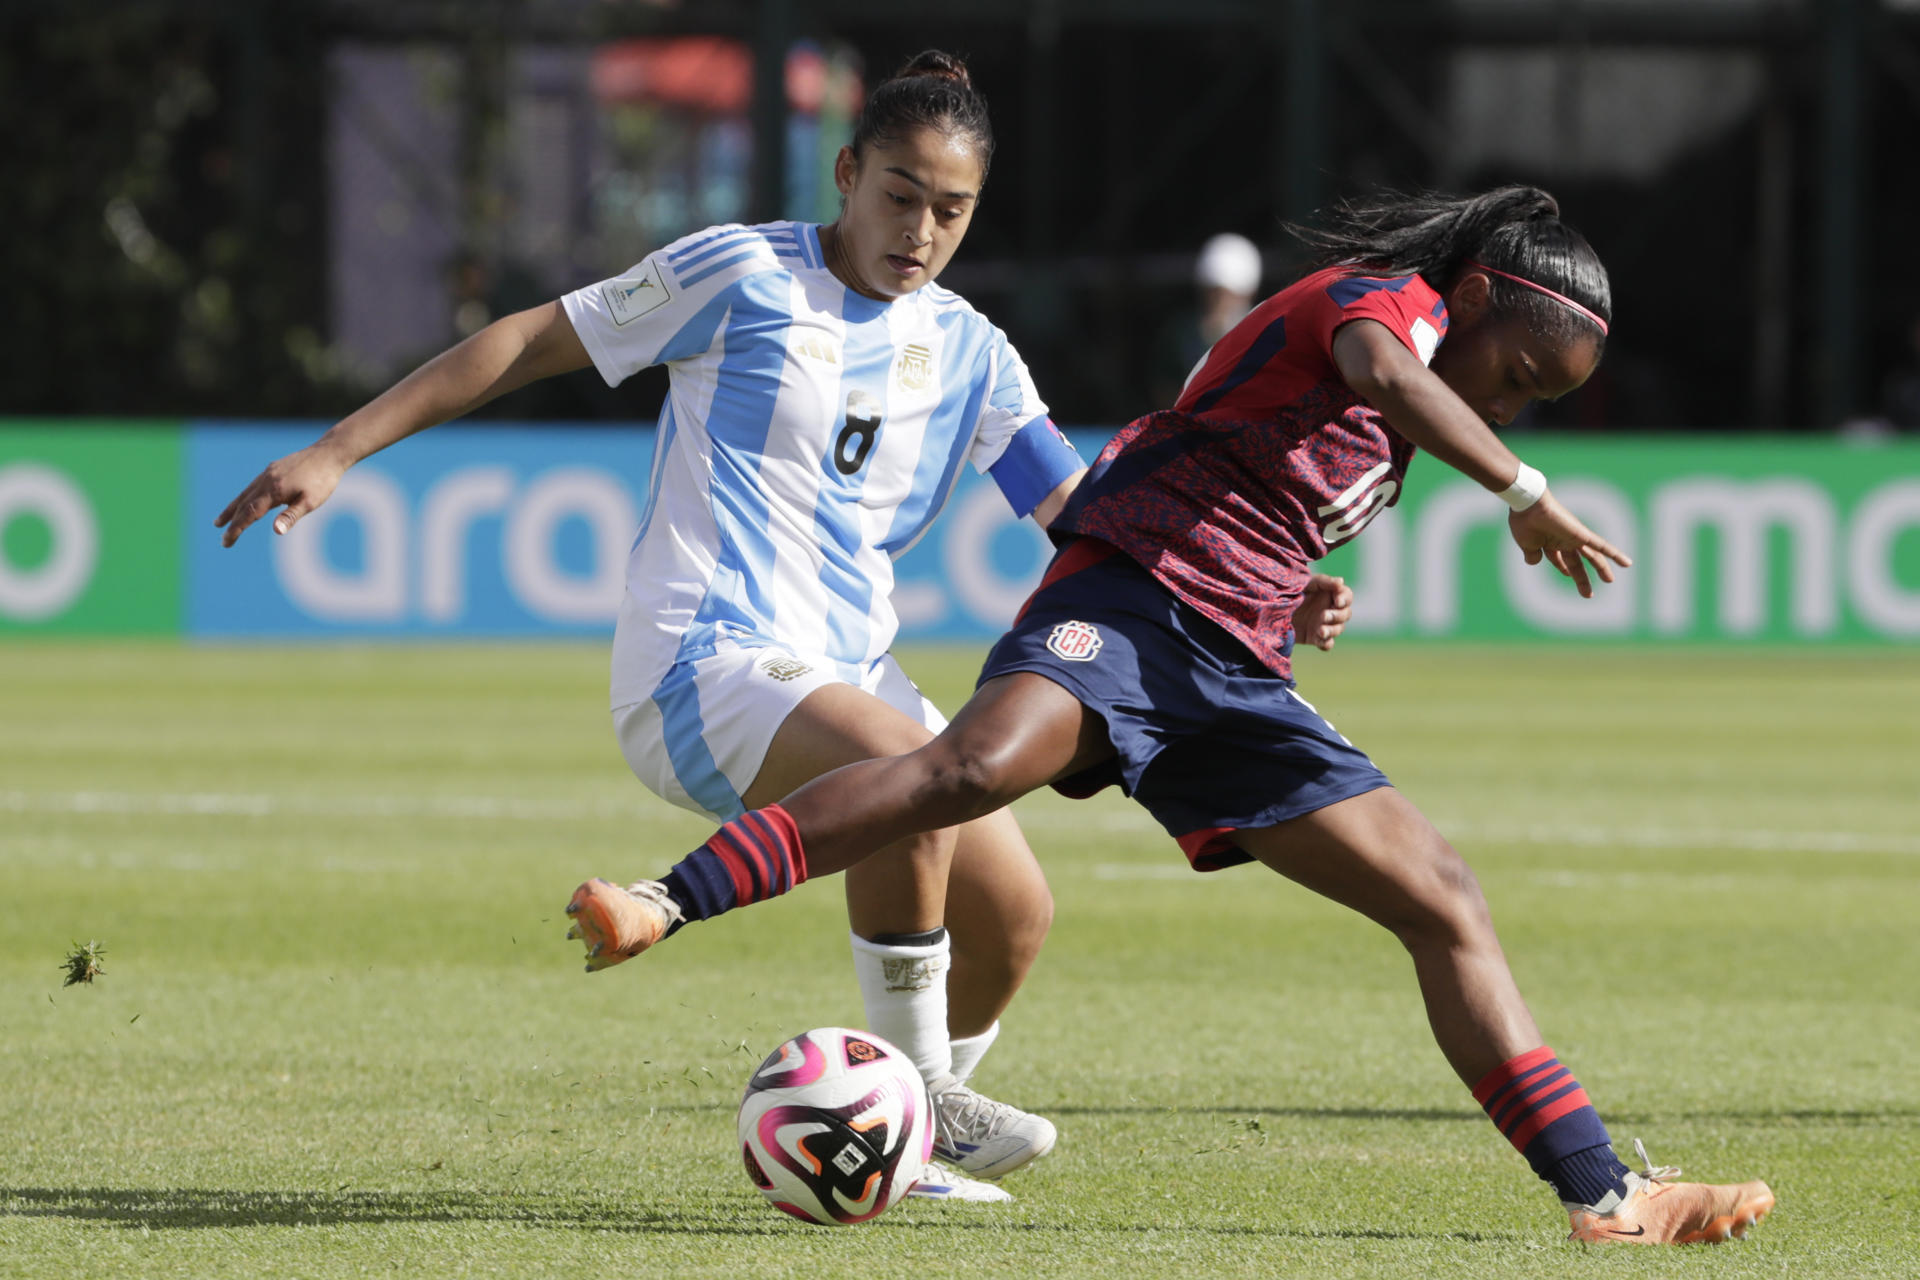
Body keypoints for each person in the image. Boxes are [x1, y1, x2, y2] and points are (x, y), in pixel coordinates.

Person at [565, 186, 1778, 1245]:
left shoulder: (1412, 369)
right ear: (1471, 296)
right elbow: (1377, 372)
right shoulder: (1385, 304)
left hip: (1236, 668)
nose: (1511, 412)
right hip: (1133, 603)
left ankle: (1605, 1190)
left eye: (1533, 410)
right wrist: (1523, 491)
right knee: (966, 771)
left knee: (1441, 896)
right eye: (1515, 376)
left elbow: (1266, 459)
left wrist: (1292, 586)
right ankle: (664, 899)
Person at [216, 50, 1082, 1203]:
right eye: (900, 195)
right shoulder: (742, 273)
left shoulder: (970, 349)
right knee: (907, 770)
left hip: (846, 669)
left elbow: (1082, 512)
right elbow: (531, 339)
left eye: (951, 210)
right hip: (701, 661)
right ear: (846, 172)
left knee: (1016, 913)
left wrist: (1255, 588)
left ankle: (889, 1115)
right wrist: (340, 445)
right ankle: (910, 1118)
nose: (921, 229)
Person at [1150, 232, 1264, 408]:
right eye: (1214, 292)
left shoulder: (1264, 333)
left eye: (1227, 294)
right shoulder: (1181, 334)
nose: (1220, 302)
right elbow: (1165, 389)